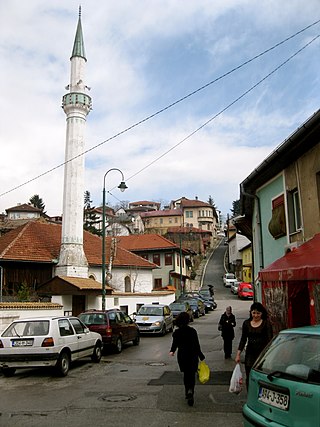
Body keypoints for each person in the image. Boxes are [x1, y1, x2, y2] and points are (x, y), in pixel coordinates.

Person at [169, 311, 205, 406]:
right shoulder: (192, 331)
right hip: (192, 355)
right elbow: (196, 345)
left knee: (186, 374)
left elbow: (175, 344)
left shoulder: (177, 332)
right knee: (192, 374)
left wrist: (172, 351)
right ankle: (191, 390)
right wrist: (201, 355)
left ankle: (187, 390)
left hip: (182, 356)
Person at [235, 302, 273, 389]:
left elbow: (270, 340)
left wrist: (270, 355)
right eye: (254, 313)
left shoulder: (266, 324)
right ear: (251, 313)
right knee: (250, 375)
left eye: (258, 313)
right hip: (250, 353)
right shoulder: (246, 323)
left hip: (262, 354)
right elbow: (243, 339)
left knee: (261, 374)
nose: (256, 315)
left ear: (262, 313)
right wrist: (238, 354)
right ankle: (250, 393)